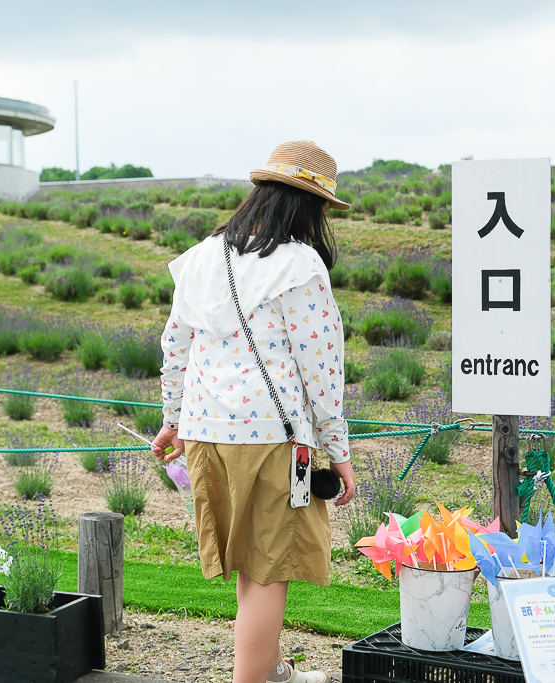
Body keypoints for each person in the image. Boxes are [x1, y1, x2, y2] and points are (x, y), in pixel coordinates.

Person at [152, 141, 355, 683]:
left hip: (203, 433)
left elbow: (176, 346)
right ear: (308, 205)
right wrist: (338, 452)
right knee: (269, 573)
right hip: (271, 437)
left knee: (249, 567)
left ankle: (270, 672)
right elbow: (322, 368)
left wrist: (172, 420)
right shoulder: (298, 265)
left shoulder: (201, 258)